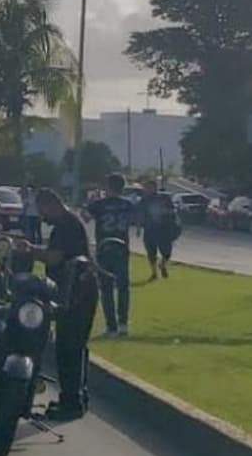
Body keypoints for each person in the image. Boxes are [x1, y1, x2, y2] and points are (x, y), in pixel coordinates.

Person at [21, 188, 99, 421]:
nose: (41, 216)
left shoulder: (66, 226)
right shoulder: (70, 223)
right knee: (76, 348)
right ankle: (77, 399)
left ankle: (70, 404)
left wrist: (30, 250)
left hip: (75, 294)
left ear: (51, 205)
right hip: (80, 291)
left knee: (68, 349)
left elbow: (54, 257)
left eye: (42, 210)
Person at [84, 173, 136, 336]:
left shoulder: (99, 204)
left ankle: (111, 325)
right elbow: (136, 220)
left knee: (106, 288)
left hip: (104, 247)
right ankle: (123, 323)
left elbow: (85, 217)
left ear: (108, 186)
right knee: (123, 286)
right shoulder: (128, 204)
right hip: (122, 247)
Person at [139, 179, 179, 281]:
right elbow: (140, 215)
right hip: (149, 229)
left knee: (167, 252)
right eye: (146, 188)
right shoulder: (144, 200)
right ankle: (154, 273)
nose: (148, 190)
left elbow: (173, 210)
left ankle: (162, 264)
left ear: (155, 187)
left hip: (163, 229)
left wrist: (165, 212)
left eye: (149, 187)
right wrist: (139, 228)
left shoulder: (164, 198)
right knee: (151, 252)